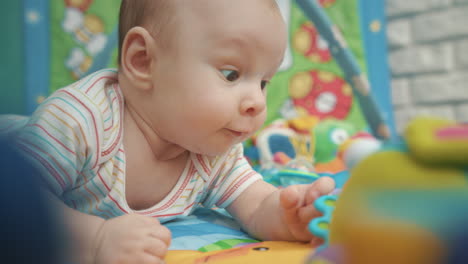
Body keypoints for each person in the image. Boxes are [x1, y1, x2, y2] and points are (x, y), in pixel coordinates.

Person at [4, 0, 335, 263]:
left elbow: (256, 204)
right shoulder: (79, 122)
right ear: (143, 61)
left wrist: (287, 214)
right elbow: (16, 204)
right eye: (232, 74)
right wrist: (95, 241)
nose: (257, 103)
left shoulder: (212, 150)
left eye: (263, 82)